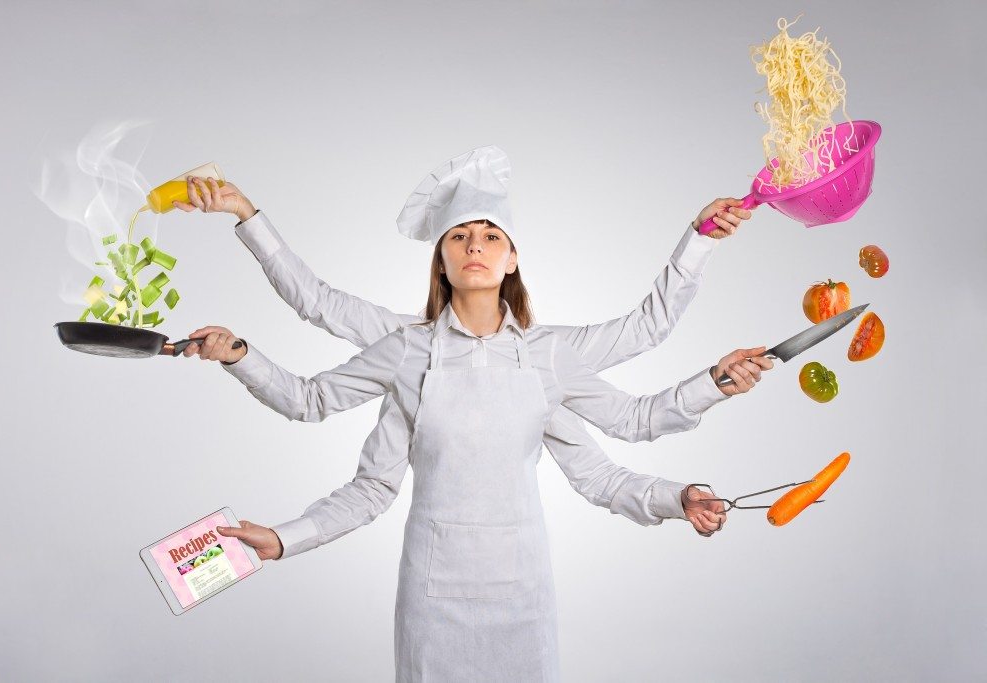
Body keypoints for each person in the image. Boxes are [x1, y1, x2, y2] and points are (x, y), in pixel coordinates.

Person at [177, 147, 772, 680]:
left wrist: (701, 253)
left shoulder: (548, 358)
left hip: (523, 598)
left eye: (491, 237)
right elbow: (348, 455)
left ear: (512, 259)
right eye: (460, 237)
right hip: (432, 601)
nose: (475, 247)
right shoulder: (407, 351)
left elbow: (626, 424)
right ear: (441, 261)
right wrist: (283, 533)